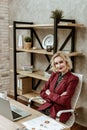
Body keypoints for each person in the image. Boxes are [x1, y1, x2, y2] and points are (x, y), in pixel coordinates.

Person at [38, 51, 79, 122]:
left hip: (59, 111)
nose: (59, 66)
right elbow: (42, 92)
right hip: (47, 107)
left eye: (61, 62)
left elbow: (63, 101)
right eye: (56, 63)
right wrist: (58, 97)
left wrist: (50, 94)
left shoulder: (73, 79)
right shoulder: (54, 74)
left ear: (66, 62)